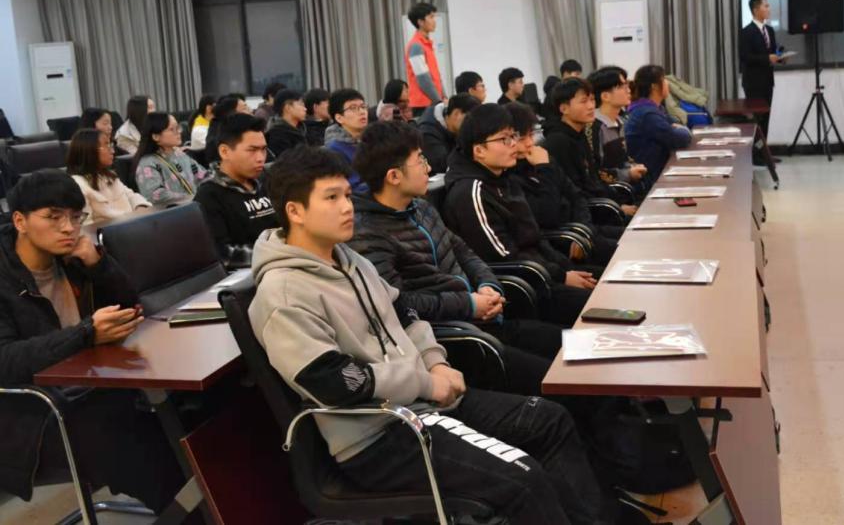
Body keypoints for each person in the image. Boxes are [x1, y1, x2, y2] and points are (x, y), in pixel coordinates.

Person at [249, 146, 615, 525]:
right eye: (331, 198)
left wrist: (435, 362)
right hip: (381, 436)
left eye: (346, 195)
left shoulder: (348, 259)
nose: (347, 207)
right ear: (295, 211)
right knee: (523, 478)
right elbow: (337, 382)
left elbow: (404, 313)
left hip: (423, 403)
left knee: (550, 421)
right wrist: (426, 383)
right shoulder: (283, 293)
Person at [0, 170, 184, 511]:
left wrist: (99, 265)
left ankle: (206, 504)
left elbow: (131, 311)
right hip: (31, 417)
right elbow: (6, 361)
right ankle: (192, 511)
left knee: (182, 414)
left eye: (75, 217)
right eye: (54, 217)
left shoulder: (72, 259)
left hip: (94, 388)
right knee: (139, 442)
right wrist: (85, 333)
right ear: (20, 221)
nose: (68, 228)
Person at [349, 121, 563, 396]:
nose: (428, 168)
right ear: (394, 176)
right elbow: (400, 304)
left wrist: (487, 285)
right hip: (457, 338)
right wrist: (469, 305)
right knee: (560, 378)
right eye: (420, 160)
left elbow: (464, 251)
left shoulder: (421, 208)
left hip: (484, 318)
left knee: (568, 346)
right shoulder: (368, 234)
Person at [443, 104, 595, 327]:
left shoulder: (503, 177)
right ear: (479, 150)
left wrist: (565, 270)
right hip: (522, 290)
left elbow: (535, 236)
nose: (514, 144)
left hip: (543, 274)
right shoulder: (470, 193)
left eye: (513, 136)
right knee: (600, 304)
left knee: (608, 284)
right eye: (504, 139)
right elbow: (505, 257)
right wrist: (562, 277)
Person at [506, 102, 618, 266]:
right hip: (559, 243)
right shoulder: (512, 176)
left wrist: (584, 229)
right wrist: (544, 169)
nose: (530, 143)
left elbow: (577, 195)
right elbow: (547, 216)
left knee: (634, 240)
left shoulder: (543, 159)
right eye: (522, 139)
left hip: (581, 231)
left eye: (531, 135)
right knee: (625, 253)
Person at [542, 78, 637, 214]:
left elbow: (594, 179)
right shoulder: (558, 142)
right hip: (585, 213)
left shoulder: (579, 133)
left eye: (592, 100)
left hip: (599, 204)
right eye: (583, 101)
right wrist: (619, 209)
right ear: (564, 108)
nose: (591, 106)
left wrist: (619, 203)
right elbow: (574, 191)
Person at [194, 114, 276, 264]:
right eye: (252, 150)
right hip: (255, 270)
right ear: (224, 152)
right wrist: (278, 254)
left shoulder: (267, 180)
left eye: (263, 150)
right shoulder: (209, 195)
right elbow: (223, 254)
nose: (260, 158)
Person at [624, 65, 692, 187]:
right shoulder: (647, 114)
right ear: (654, 86)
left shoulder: (655, 108)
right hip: (650, 179)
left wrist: (679, 128)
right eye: (664, 79)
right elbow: (680, 138)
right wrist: (683, 130)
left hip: (659, 171)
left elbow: (677, 126)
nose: (667, 83)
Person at [66, 129, 151, 225]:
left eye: (111, 145)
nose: (112, 151)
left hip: (132, 224)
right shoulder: (78, 185)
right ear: (89, 150)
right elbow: (86, 226)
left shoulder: (108, 175)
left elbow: (131, 195)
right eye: (106, 145)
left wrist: (140, 208)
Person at [739, 0, 786, 146]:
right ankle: (754, 152)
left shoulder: (770, 30)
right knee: (757, 120)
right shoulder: (746, 32)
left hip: (768, 82)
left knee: (766, 118)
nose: (769, 9)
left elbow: (773, 52)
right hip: (753, 84)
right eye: (766, 6)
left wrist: (781, 58)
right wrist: (767, 58)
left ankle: (762, 151)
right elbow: (745, 57)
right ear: (755, 10)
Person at [588, 67, 647, 188]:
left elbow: (622, 159)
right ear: (605, 96)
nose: (628, 90)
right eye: (622, 86)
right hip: (609, 192)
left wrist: (634, 167)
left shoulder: (620, 121)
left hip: (625, 187)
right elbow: (595, 171)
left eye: (627, 85)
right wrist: (628, 174)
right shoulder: (594, 126)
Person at [134, 112, 210, 205]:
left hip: (194, 206)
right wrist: (192, 198)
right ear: (156, 136)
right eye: (172, 129)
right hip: (173, 212)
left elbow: (203, 176)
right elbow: (155, 196)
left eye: (178, 128)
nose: (179, 132)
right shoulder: (147, 164)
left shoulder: (180, 154)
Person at [419, 93, 481, 173]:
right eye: (469, 120)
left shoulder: (454, 127)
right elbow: (443, 165)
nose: (472, 126)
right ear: (456, 113)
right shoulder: (428, 132)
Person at [325, 88, 369, 194]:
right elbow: (351, 188)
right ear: (339, 118)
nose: (362, 112)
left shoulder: (370, 141)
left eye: (363, 107)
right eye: (353, 108)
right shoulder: (335, 150)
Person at [404, 2, 445, 115]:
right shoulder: (416, 45)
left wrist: (444, 96)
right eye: (431, 17)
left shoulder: (426, 44)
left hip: (433, 102)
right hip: (423, 104)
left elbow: (436, 76)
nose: (434, 21)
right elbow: (423, 79)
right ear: (420, 22)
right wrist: (439, 101)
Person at [205, 94, 251, 165]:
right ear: (232, 114)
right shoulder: (219, 139)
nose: (250, 111)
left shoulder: (243, 130)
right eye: (245, 108)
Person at [265, 89, 309, 157]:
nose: (305, 109)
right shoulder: (277, 135)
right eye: (301, 104)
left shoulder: (303, 128)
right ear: (288, 107)